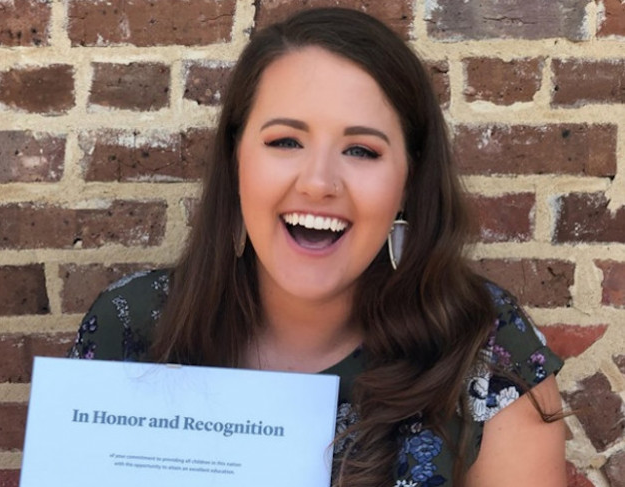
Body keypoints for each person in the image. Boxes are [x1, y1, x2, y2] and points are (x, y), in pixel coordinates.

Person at [69, 8, 566, 487]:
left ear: (408, 182)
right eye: (285, 141)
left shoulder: (484, 345)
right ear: (236, 159)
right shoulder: (132, 327)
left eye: (360, 150)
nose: (319, 182)